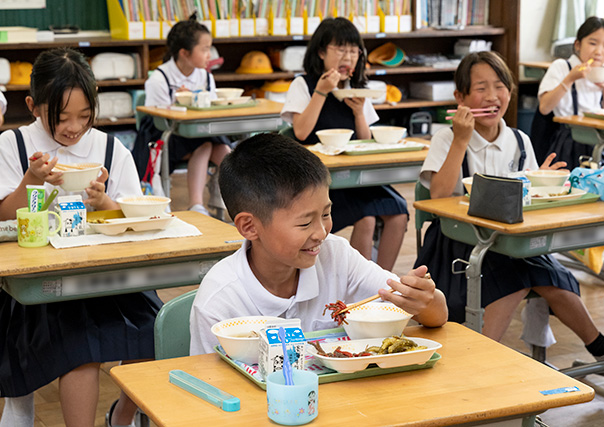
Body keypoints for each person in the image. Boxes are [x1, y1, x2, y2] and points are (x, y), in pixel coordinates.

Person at [414, 51, 604, 362]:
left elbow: (527, 195)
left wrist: (541, 179)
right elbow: (438, 196)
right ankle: (476, 360)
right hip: (457, 244)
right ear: (461, 97)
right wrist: (461, 141)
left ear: (510, 92)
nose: (492, 96)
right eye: (480, 88)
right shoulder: (447, 137)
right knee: (514, 280)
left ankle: (601, 347)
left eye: (500, 86)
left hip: (511, 243)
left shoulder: (520, 140)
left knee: (554, 278)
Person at [0, 48, 162, 427]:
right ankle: (22, 408)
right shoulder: (14, 146)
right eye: (62, 117)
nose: (74, 128)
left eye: (85, 117)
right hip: (37, 281)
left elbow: (131, 213)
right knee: (80, 349)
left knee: (157, 327)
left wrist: (105, 202)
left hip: (108, 274)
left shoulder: (110, 149)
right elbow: (4, 216)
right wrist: (32, 181)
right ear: (34, 106)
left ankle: (121, 416)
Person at [189, 133, 448, 355]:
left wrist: (426, 300)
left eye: (326, 214)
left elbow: (434, 315)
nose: (321, 232)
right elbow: (211, 388)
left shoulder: (336, 256)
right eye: (304, 224)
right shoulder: (219, 302)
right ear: (249, 226)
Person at [280, 17, 408, 271]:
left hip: (356, 175)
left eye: (353, 50)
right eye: (341, 49)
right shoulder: (303, 84)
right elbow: (301, 132)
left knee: (399, 211)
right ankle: (360, 287)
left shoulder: (357, 87)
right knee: (367, 217)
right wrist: (322, 91)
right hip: (320, 179)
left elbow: (364, 141)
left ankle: (382, 282)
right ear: (321, 51)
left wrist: (359, 112)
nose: (347, 57)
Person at [141, 17, 231, 217]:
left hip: (200, 131)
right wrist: (180, 103)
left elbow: (213, 109)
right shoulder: (159, 78)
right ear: (184, 53)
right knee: (205, 145)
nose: (210, 55)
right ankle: (196, 204)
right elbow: (157, 119)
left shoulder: (206, 76)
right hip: (166, 136)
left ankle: (223, 194)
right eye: (205, 49)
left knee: (225, 151)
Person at [534, 16, 604, 170]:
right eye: (592, 43)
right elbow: (544, 107)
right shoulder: (562, 66)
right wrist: (570, 79)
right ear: (577, 45)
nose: (599, 51)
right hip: (569, 142)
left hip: (598, 139)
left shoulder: (603, 72)